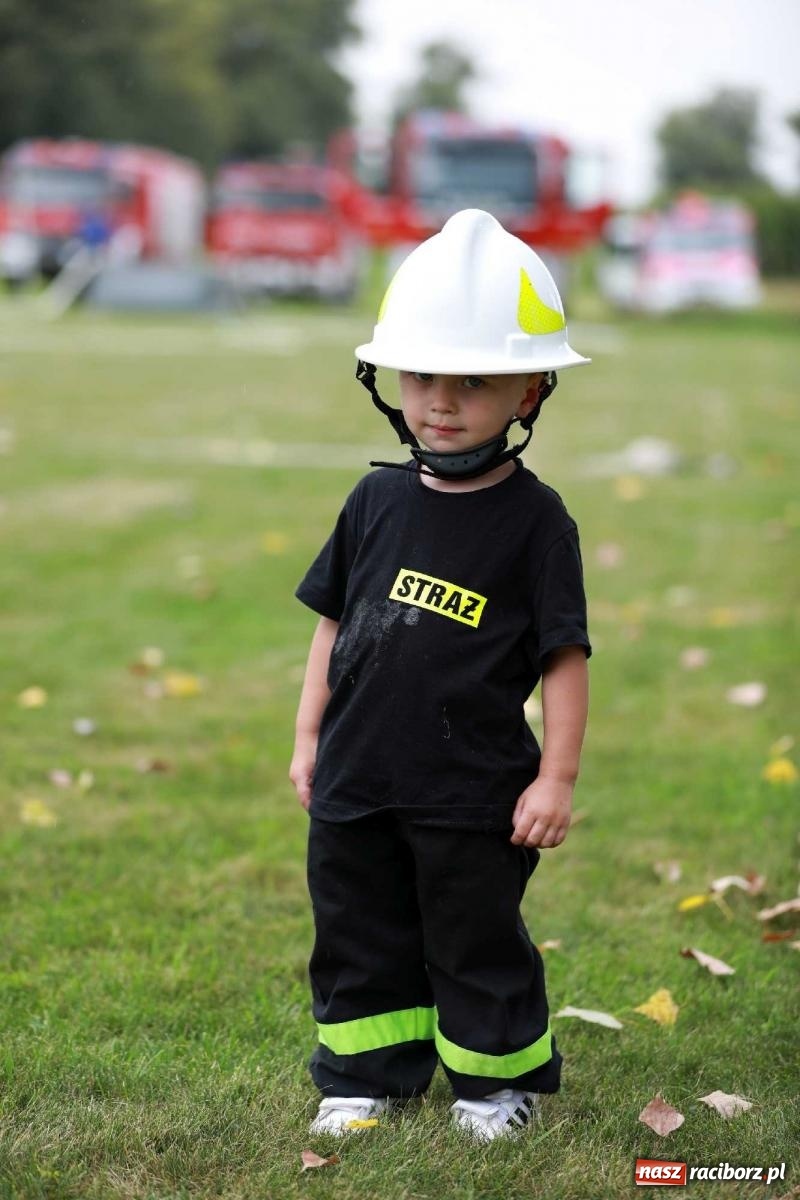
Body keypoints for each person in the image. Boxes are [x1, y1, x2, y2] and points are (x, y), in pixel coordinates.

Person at [290, 209, 591, 1142]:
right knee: (358, 931)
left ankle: (493, 1086)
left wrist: (556, 776)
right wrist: (307, 737)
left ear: (531, 391)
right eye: (421, 374)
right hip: (357, 778)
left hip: (473, 792)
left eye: (474, 379)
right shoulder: (373, 499)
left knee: (474, 939)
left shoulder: (539, 523)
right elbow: (334, 622)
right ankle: (366, 1077)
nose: (441, 400)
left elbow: (564, 656)